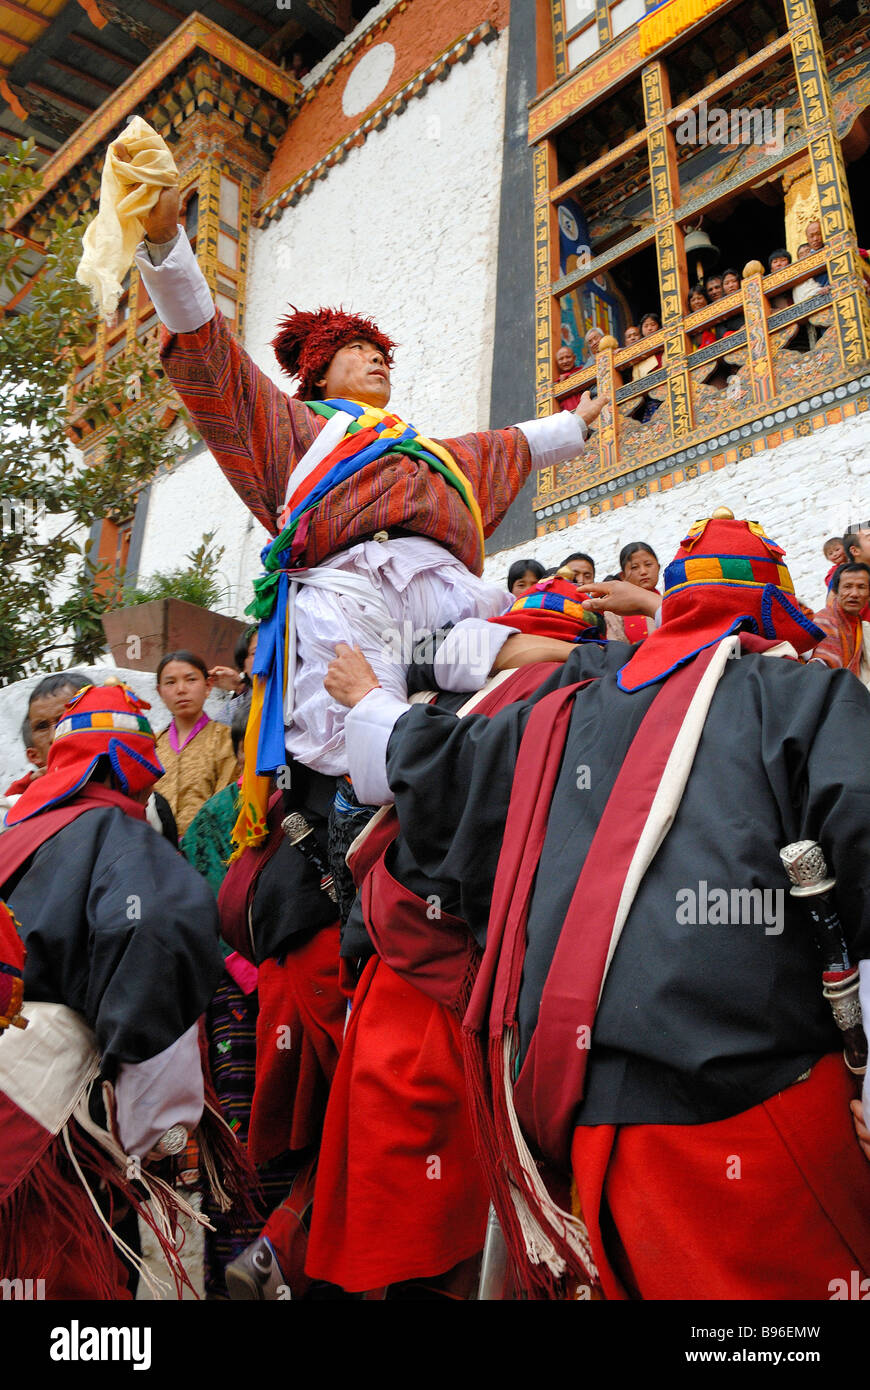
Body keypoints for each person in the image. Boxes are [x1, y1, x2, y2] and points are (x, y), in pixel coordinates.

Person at [332, 508, 870, 1300]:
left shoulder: (562, 713)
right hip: (756, 1098)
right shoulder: (802, 694)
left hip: (585, 1109)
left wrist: (369, 700)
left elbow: (441, 768)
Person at [126, 154, 602, 858]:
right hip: (347, 599)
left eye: (380, 351)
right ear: (318, 370)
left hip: (438, 594)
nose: (377, 358)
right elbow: (214, 363)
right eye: (357, 350)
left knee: (512, 675)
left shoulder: (419, 453)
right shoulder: (290, 431)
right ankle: (356, 866)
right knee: (366, 751)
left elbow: (497, 449)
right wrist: (167, 249)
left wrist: (577, 425)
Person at [0, 680, 231, 1299]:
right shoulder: (121, 840)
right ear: (135, 762)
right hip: (52, 1114)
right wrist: (157, 1130)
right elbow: (155, 942)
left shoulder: (15, 833)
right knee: (66, 1278)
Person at [154, 650, 238, 838]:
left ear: (208, 686)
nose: (181, 689)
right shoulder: (152, 744)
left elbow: (225, 803)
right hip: (155, 853)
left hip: (208, 853)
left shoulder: (227, 739)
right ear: (160, 692)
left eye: (191, 680)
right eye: (170, 682)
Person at [4, 670, 88, 798]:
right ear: (34, 756)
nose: (54, 736)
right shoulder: (19, 808)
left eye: (65, 719)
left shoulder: (125, 774)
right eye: (42, 727)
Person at [810, 562, 870, 686]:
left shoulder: (864, 628)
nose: (854, 593)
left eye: (861, 587)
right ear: (836, 591)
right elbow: (819, 672)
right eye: (847, 586)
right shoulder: (823, 622)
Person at [210, 625, 258, 728]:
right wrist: (240, 687)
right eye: (255, 652)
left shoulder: (295, 694)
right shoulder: (232, 711)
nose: (267, 657)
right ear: (243, 665)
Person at [618, 541, 661, 641]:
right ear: (623, 576)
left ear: (658, 568)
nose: (643, 572)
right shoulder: (616, 611)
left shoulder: (669, 602)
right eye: (634, 567)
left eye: (648, 564)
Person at [555, 345, 583, 412]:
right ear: (557, 362)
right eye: (561, 359)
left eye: (568, 357)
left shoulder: (583, 371)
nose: (565, 361)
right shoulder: (556, 383)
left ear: (574, 358)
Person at [687, 285, 715, 349]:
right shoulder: (689, 322)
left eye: (699, 298)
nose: (696, 302)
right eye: (693, 300)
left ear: (706, 299)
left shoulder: (714, 313)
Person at [719, 268, 744, 334]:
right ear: (723, 287)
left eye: (734, 281)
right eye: (727, 283)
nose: (731, 285)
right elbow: (722, 331)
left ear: (739, 282)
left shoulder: (747, 294)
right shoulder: (720, 306)